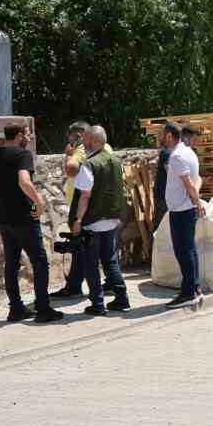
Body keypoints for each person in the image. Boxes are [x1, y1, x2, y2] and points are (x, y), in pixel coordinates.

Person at [0, 123, 62, 323]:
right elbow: (24, 181)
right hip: (24, 217)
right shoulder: (22, 155)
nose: (30, 137)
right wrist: (39, 202)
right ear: (19, 136)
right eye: (28, 134)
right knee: (40, 261)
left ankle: (16, 309)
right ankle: (43, 309)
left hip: (4, 219)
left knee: (11, 264)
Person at [70, 125, 131, 316]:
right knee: (110, 260)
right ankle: (122, 299)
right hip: (112, 219)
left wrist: (78, 220)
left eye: (86, 139)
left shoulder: (90, 164)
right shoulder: (115, 160)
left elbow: (85, 196)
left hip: (93, 220)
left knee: (91, 263)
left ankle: (97, 304)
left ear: (93, 140)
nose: (83, 142)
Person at [164, 123, 205, 308]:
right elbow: (198, 180)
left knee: (184, 252)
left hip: (182, 211)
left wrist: (196, 202)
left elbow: (189, 184)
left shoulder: (177, 156)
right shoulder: (189, 152)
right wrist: (196, 202)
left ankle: (189, 292)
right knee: (190, 250)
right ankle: (195, 288)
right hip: (186, 208)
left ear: (169, 136)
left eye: (162, 134)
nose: (160, 138)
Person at [52, 121, 94, 299]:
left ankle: (74, 286)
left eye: (71, 136)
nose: (69, 140)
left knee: (78, 248)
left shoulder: (79, 151)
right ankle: (110, 285)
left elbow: (70, 170)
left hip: (80, 206)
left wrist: (68, 156)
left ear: (79, 136)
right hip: (94, 205)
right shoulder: (102, 148)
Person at [152, 122, 178, 234]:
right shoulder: (166, 153)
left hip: (164, 195)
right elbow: (171, 173)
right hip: (163, 196)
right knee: (161, 226)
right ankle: (154, 250)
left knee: (163, 225)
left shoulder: (167, 152)